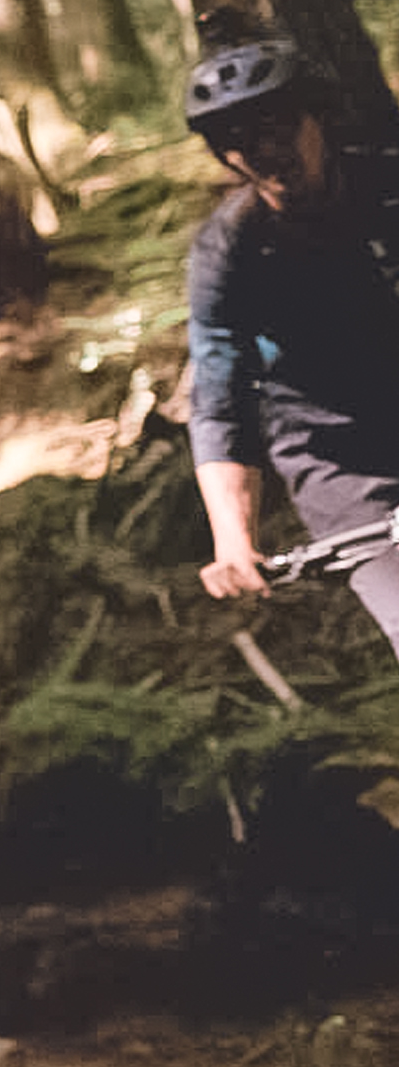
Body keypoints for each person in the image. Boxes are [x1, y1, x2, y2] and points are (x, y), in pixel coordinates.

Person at [182, 35, 399, 652]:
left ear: (317, 117)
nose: (265, 151)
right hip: (341, 464)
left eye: (278, 127)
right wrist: (233, 538)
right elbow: (219, 401)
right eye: (241, 140)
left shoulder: (389, 182)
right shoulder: (230, 250)